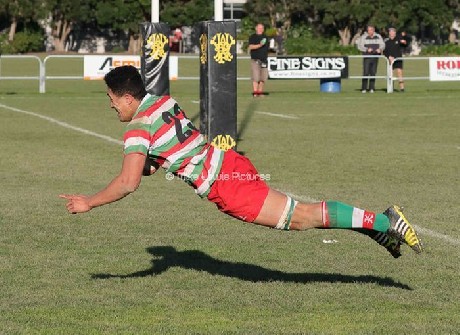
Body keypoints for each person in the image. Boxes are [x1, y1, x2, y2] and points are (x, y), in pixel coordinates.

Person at [59, 65, 423, 259]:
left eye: (110, 98)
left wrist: (88, 202)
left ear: (125, 97)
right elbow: (173, 146)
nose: (109, 105)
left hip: (226, 185)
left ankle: (383, 220)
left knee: (303, 216)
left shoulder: (137, 128)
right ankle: (376, 229)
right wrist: (157, 163)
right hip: (229, 161)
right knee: (299, 221)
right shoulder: (162, 102)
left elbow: (128, 182)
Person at [357, 25, 385, 93]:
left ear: (373, 30)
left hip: (375, 57)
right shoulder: (364, 37)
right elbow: (359, 46)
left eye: (371, 30)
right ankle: (364, 88)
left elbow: (383, 45)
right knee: (366, 72)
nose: (370, 31)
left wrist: (380, 49)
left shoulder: (378, 36)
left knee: (373, 73)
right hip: (367, 57)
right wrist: (366, 49)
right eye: (369, 30)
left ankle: (371, 88)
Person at [248, 23, 269, 97]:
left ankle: (260, 92)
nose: (261, 29)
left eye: (262, 28)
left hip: (264, 60)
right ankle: (255, 92)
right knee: (255, 77)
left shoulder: (266, 37)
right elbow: (251, 47)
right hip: (255, 60)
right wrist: (259, 45)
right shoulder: (252, 37)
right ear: (256, 28)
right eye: (259, 28)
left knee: (263, 78)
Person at [384, 27, 408, 92]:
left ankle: (402, 88)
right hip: (390, 60)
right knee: (390, 74)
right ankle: (390, 87)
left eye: (393, 32)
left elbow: (405, 45)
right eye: (390, 32)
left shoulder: (398, 40)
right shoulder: (386, 42)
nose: (391, 33)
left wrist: (405, 42)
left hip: (398, 59)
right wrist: (389, 57)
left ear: (395, 33)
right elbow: (384, 52)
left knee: (399, 73)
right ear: (389, 33)